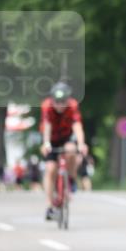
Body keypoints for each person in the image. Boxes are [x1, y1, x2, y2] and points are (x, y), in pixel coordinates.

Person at [40, 82, 88, 220]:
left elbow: (77, 125)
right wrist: (46, 143)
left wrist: (81, 143)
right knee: (50, 169)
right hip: (51, 138)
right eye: (57, 102)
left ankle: (71, 179)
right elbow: (47, 125)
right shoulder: (47, 106)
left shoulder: (72, 106)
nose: (60, 105)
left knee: (71, 150)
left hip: (66, 137)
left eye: (63, 102)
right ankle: (49, 207)